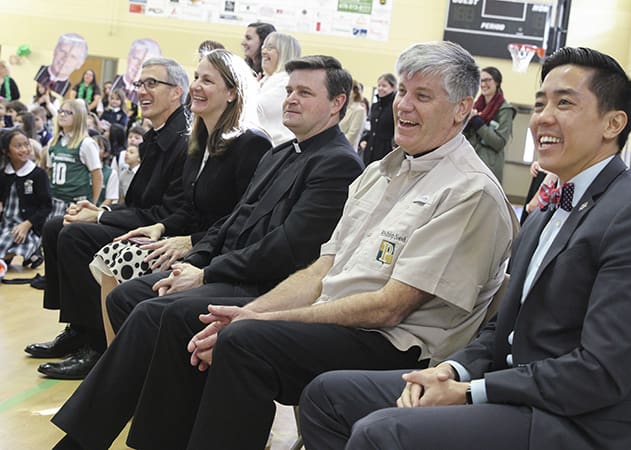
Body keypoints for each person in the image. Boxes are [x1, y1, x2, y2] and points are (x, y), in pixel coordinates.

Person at [54, 43, 518, 450]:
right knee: (205, 323)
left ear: (462, 109)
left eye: (423, 96)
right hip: (339, 317)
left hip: (395, 346)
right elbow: (321, 271)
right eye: (402, 92)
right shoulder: (381, 172)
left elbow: (389, 308)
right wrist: (246, 310)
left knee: (239, 339)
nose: (404, 106)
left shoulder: (467, 191)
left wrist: (256, 315)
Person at [298, 46, 631, 450]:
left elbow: (601, 371)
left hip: (579, 425)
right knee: (328, 396)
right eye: (539, 103)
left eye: (565, 103)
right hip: (517, 395)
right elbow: (500, 330)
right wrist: (452, 371)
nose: (543, 117)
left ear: (614, 123)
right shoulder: (542, 212)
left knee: (382, 433)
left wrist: (472, 392)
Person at [50, 54, 366, 450]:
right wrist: (195, 261)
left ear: (337, 104)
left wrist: (208, 271)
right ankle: (160, 422)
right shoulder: (282, 152)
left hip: (268, 288)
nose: (290, 99)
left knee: (154, 311)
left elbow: (288, 248)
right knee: (128, 296)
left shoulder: (338, 164)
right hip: (231, 271)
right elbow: (232, 221)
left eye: (304, 92)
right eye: (289, 91)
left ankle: (100, 439)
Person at [91, 49, 273, 344]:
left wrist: (191, 241)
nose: (196, 86)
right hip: (190, 239)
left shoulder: (252, 143)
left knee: (117, 262)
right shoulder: (198, 140)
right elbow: (189, 207)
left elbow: (242, 217)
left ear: (231, 93)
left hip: (216, 250)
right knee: (110, 253)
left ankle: (119, 363)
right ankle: (111, 358)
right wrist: (160, 228)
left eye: (208, 81)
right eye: (197, 77)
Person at [24, 57, 190, 379]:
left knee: (73, 235)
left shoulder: (181, 142)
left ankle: (97, 344)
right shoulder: (157, 136)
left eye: (152, 83)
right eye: (140, 84)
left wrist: (101, 215)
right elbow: (139, 200)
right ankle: (78, 328)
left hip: (163, 232)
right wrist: (100, 211)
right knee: (58, 225)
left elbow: (168, 214)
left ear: (176, 93)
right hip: (144, 218)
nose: (142, 90)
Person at [0, 129, 51, 267]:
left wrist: (27, 224)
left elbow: (46, 206)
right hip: (5, 223)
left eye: (26, 144)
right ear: (6, 151)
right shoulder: (4, 173)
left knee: (11, 238)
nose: (24, 149)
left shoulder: (38, 174)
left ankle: (30, 252)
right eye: (18, 146)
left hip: (27, 226)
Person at [46, 99, 103, 215]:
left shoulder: (86, 143)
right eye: (61, 111)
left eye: (68, 112)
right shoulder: (53, 142)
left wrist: (92, 203)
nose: (62, 115)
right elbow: (49, 170)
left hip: (76, 202)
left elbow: (97, 175)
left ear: (79, 117)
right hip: (55, 200)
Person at [463, 66, 516, 183]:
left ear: (497, 82)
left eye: (488, 80)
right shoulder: (475, 106)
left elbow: (499, 142)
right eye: (481, 80)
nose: (483, 84)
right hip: (470, 162)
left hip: (489, 166)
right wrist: (466, 123)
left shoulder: (505, 109)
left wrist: (478, 123)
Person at [257, 31, 301, 145]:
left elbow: (256, 108)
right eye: (264, 47)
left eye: (270, 48)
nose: (263, 52)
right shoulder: (266, 80)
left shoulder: (286, 82)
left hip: (274, 146)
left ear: (284, 53)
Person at [359, 73, 396, 165]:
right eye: (379, 85)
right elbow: (373, 128)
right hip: (370, 150)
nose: (380, 88)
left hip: (385, 151)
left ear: (393, 87)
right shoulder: (375, 106)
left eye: (384, 86)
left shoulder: (395, 107)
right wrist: (365, 139)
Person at [112, 38, 162, 104]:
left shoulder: (153, 97)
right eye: (136, 59)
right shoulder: (113, 82)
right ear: (129, 57)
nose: (139, 66)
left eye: (145, 64)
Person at [339, 79, 367, 150]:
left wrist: (333, 143)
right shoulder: (342, 107)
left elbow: (352, 135)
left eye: (348, 89)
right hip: (334, 147)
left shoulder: (359, 110)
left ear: (355, 93)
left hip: (345, 149)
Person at [92, 135, 119, 207]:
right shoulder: (80, 168)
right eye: (92, 146)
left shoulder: (111, 173)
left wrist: (94, 212)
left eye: (98, 147)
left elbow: (109, 199)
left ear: (105, 153)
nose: (93, 149)